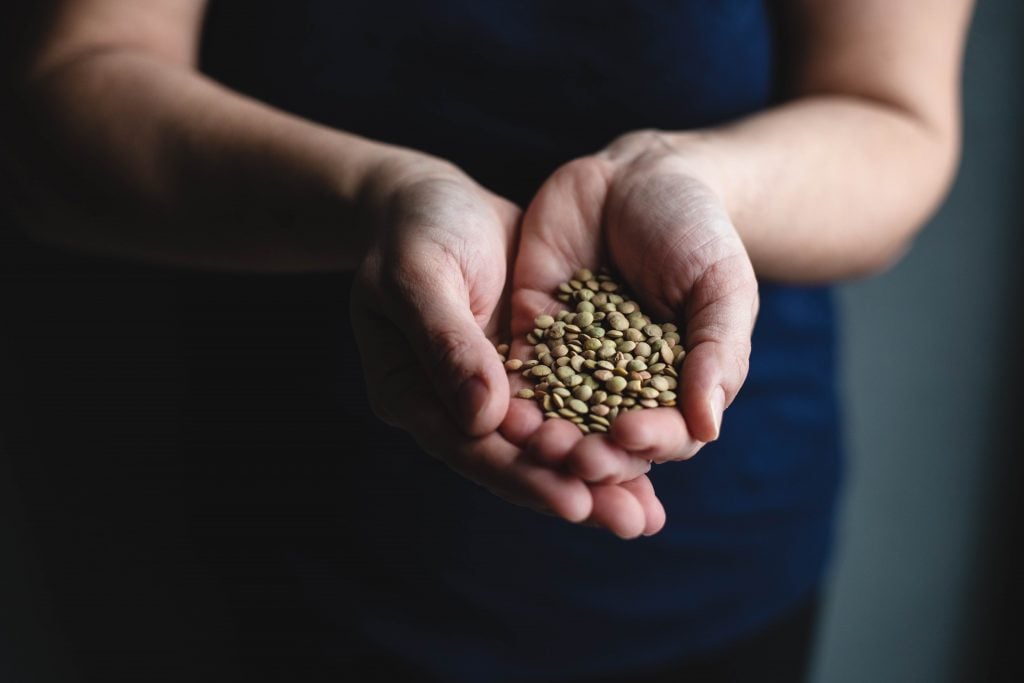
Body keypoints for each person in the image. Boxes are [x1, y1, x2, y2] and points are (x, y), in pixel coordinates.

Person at [2, 1, 972, 681]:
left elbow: (894, 119)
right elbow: (62, 105)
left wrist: (688, 179)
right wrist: (379, 197)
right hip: (296, 525)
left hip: (718, 546)